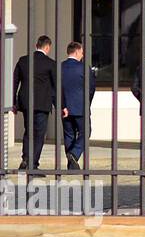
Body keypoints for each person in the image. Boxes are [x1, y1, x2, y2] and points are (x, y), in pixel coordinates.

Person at [12, 35, 57, 172]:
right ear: (48, 47)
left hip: (26, 103)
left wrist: (13, 102)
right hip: (42, 104)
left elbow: (14, 82)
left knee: (28, 131)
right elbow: (56, 86)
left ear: (36, 45)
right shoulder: (50, 63)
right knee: (39, 134)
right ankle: (33, 164)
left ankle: (26, 158)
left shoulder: (23, 61)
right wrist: (59, 104)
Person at [59, 41, 96, 171]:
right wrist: (87, 103)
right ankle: (74, 154)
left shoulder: (60, 67)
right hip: (81, 107)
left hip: (65, 108)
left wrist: (62, 105)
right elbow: (91, 89)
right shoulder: (84, 67)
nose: (82, 54)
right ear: (76, 51)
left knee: (69, 135)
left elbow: (56, 89)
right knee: (86, 132)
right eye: (81, 52)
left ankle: (71, 165)